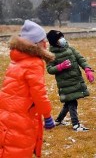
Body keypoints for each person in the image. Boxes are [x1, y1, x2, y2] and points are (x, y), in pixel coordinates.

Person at [0, 20, 55, 157]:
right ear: (36, 44)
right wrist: (47, 116)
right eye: (43, 40)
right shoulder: (34, 63)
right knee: (17, 150)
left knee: (7, 147)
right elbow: (39, 94)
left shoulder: (17, 60)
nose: (46, 43)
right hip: (21, 117)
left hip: (7, 114)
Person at [46, 30, 94, 131]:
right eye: (59, 38)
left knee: (68, 103)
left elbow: (80, 59)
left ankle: (58, 120)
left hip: (76, 80)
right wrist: (60, 67)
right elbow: (50, 69)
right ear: (54, 42)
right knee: (72, 102)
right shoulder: (51, 54)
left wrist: (87, 69)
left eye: (62, 37)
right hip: (65, 83)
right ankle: (76, 125)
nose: (62, 39)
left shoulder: (69, 48)